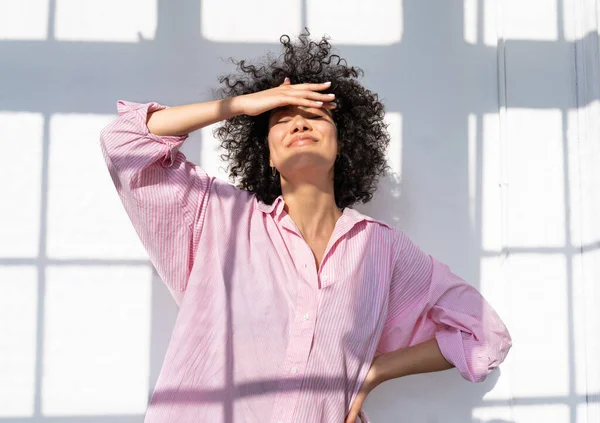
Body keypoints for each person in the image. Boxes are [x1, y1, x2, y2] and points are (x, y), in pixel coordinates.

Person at [99, 30, 512, 423]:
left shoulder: (383, 250)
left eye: (315, 115)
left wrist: (376, 369)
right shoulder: (216, 218)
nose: (299, 124)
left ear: (343, 145)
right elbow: (124, 140)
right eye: (280, 119)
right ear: (268, 155)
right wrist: (242, 104)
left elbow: (486, 335)